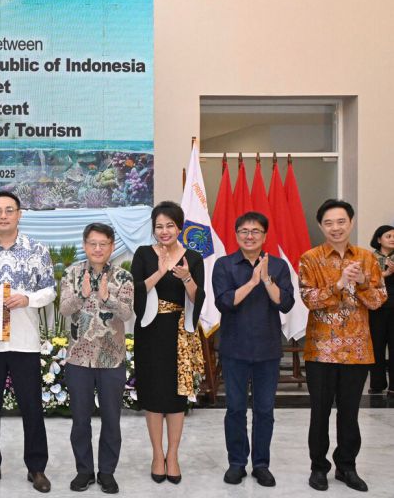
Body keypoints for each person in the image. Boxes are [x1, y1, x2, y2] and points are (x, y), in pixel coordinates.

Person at [0, 191, 56, 493]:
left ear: (19, 214)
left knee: (31, 406)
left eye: (9, 210)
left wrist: (28, 298)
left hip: (24, 341)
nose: (3, 216)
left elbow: (50, 290)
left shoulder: (37, 249)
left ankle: (37, 467)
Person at [299, 199, 386, 492]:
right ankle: (318, 467)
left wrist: (361, 282)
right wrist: (337, 284)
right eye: (329, 223)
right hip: (320, 350)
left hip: (358, 351)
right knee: (320, 412)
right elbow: (309, 300)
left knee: (349, 413)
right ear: (320, 226)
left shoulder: (367, 258)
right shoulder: (310, 258)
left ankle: (347, 467)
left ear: (351, 223)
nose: (335, 228)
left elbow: (377, 301)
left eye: (341, 222)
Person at [212, 212, 295, 487]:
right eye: (244, 231)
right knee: (235, 409)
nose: (250, 236)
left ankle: (261, 464)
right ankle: (237, 463)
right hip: (234, 349)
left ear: (265, 235)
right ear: (236, 235)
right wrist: (251, 282)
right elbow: (225, 302)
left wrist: (267, 279)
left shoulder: (279, 266)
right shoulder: (224, 265)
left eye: (256, 231)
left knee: (264, 410)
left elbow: (285, 304)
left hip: (267, 350)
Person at [129, 200, 204, 485]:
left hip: (179, 334)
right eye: (159, 226)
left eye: (170, 225)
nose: (164, 231)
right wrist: (160, 272)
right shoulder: (143, 254)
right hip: (150, 332)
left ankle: (173, 455)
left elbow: (199, 298)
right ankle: (157, 454)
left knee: (175, 397)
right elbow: (135, 291)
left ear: (179, 227)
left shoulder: (192, 257)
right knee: (153, 395)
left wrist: (186, 278)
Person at [59, 223, 134, 494]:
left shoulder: (123, 277)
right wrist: (83, 294)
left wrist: (107, 298)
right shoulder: (72, 274)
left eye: (103, 244)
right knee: (80, 420)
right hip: (79, 359)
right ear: (85, 245)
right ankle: (84, 471)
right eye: (93, 243)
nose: (98, 248)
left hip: (111, 360)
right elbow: (64, 309)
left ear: (112, 246)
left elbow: (126, 314)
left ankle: (107, 472)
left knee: (111, 419)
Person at [368, 224, 394, 394]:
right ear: (379, 239)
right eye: (388, 236)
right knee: (376, 347)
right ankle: (377, 384)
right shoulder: (369, 258)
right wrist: (385, 274)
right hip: (376, 309)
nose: (392, 239)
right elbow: (365, 282)